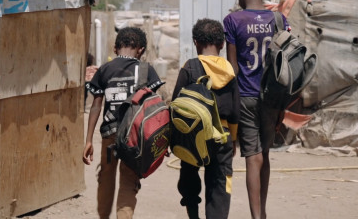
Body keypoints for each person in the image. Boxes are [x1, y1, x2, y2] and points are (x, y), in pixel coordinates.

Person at [223, 0, 290, 219]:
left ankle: (256, 216)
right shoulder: (280, 20)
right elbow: (286, 63)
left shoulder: (233, 21)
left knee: (253, 157)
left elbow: (232, 68)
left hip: (246, 96)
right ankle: (263, 212)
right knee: (265, 154)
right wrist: (283, 104)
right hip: (273, 98)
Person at [82, 27, 164, 219]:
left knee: (106, 178)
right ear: (141, 50)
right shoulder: (146, 70)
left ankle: (103, 216)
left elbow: (95, 106)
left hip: (109, 135)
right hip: (134, 137)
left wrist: (88, 141)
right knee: (128, 181)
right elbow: (155, 108)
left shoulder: (104, 69)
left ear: (115, 48)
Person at [172, 18, 240, 219]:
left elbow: (176, 103)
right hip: (223, 136)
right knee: (220, 184)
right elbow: (236, 110)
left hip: (192, 135)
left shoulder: (190, 67)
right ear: (221, 44)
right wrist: (233, 138)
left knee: (189, 174)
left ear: (195, 42)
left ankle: (193, 212)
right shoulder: (230, 71)